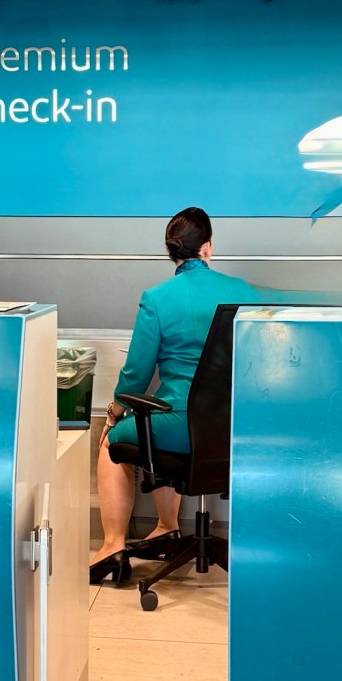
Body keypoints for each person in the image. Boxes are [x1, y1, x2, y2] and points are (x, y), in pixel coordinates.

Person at [89, 207, 258, 584]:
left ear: (171, 251)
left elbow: (135, 376)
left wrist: (113, 414)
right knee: (154, 426)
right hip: (235, 427)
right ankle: (166, 528)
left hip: (180, 426)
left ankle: (113, 547)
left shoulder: (157, 298)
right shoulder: (244, 292)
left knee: (116, 438)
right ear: (207, 247)